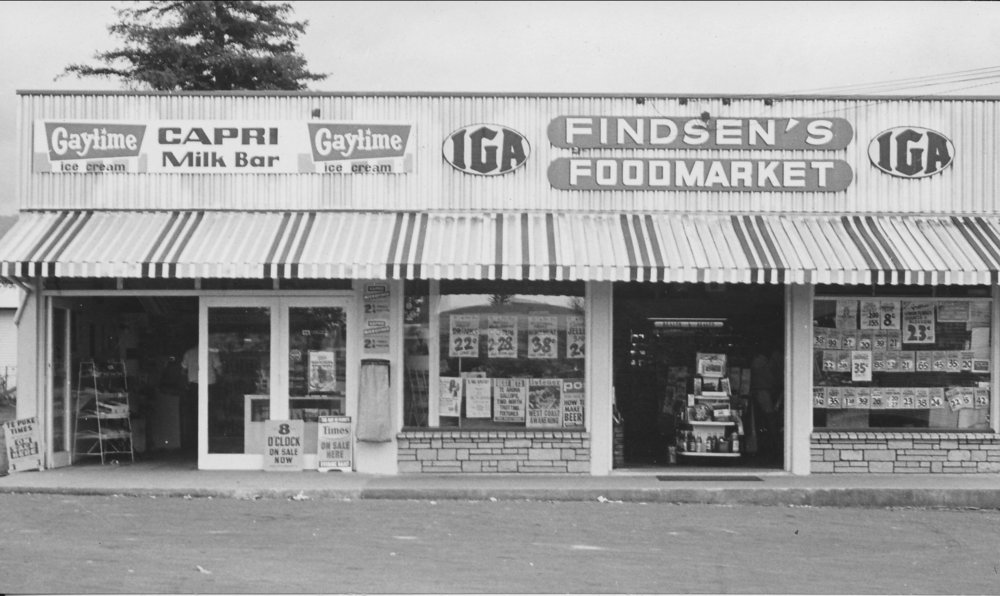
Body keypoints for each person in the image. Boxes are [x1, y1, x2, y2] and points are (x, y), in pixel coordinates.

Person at [179, 346, 222, 452]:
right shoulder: (212, 352)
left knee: (195, 414)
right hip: (209, 385)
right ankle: (209, 442)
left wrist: (190, 377)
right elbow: (220, 370)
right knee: (209, 412)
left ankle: (195, 444)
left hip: (194, 386)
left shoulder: (189, 352)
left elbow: (183, 371)